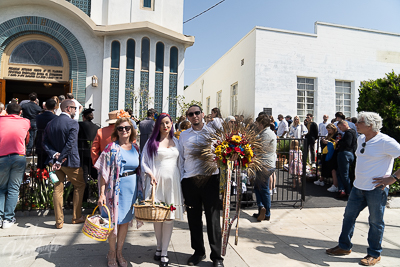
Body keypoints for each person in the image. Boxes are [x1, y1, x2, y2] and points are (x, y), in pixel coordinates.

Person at [326, 111, 400, 266]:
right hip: (358, 187)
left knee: (375, 222)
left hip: (376, 190)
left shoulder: (386, 141)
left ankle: (374, 254)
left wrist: (393, 178)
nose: (356, 124)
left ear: (371, 125)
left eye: (359, 122)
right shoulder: (360, 139)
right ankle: (344, 246)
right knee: (348, 217)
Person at [179, 105, 224, 267]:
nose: (195, 116)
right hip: (190, 181)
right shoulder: (183, 136)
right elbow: (181, 161)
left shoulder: (214, 133)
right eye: (191, 114)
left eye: (197, 113)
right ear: (188, 117)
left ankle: (217, 257)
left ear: (203, 114)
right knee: (194, 219)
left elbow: (223, 153)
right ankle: (198, 252)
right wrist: (181, 182)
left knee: (213, 220)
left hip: (210, 179)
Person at [96, 117, 140, 267]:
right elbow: (103, 173)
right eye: (120, 128)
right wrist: (101, 194)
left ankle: (120, 252)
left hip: (131, 189)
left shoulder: (136, 148)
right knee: (113, 221)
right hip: (114, 189)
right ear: (116, 131)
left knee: (125, 222)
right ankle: (111, 252)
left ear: (131, 130)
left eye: (127, 128)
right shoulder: (111, 148)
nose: (124, 131)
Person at [141, 113, 184, 267]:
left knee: (169, 217)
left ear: (172, 124)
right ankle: (159, 247)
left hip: (173, 186)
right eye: (162, 123)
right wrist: (150, 173)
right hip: (156, 183)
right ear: (157, 126)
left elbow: (182, 163)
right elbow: (144, 161)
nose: (165, 126)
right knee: (157, 216)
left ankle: (164, 252)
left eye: (168, 123)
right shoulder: (151, 142)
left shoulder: (177, 142)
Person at [42, 100, 86, 229]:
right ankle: (76, 217)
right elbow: (70, 144)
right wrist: (60, 159)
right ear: (68, 108)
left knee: (57, 188)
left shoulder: (50, 123)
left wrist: (55, 155)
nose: (76, 110)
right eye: (75, 108)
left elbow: (44, 143)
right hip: (70, 162)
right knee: (80, 185)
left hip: (55, 162)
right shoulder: (73, 123)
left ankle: (59, 221)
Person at [0, 103, 30, 229]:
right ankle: (8, 218)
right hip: (19, 156)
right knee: (14, 188)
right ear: (20, 112)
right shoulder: (25, 122)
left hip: (2, 157)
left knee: (1, 188)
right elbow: (27, 138)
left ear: (6, 111)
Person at [252, 115, 277, 221]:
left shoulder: (266, 134)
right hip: (265, 164)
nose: (256, 126)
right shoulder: (265, 133)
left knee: (263, 188)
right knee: (259, 188)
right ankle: (261, 208)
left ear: (261, 124)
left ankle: (266, 212)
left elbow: (260, 148)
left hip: (265, 165)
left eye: (257, 124)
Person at [78, 104, 100, 200]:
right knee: (95, 176)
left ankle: (84, 198)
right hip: (93, 154)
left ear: (83, 117)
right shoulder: (97, 127)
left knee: (84, 177)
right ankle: (97, 195)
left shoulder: (80, 125)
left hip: (82, 154)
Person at [335, 120, 357, 197]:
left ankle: (348, 191)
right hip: (350, 154)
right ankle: (342, 189)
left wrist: (339, 142)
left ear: (344, 125)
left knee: (344, 174)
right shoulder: (353, 132)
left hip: (345, 154)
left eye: (340, 127)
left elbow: (347, 144)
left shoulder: (349, 133)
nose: (340, 129)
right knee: (339, 172)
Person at [314, 123, 339, 191]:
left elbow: (336, 143)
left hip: (332, 153)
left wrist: (328, 142)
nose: (328, 132)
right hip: (326, 152)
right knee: (324, 166)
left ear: (333, 129)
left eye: (329, 130)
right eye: (328, 130)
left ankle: (335, 185)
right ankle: (321, 180)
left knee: (332, 168)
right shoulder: (329, 135)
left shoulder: (336, 135)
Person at [35, 99, 57, 168]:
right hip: (51, 143)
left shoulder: (38, 117)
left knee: (40, 164)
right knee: (51, 165)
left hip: (40, 141)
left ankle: (40, 177)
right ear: (54, 107)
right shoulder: (55, 118)